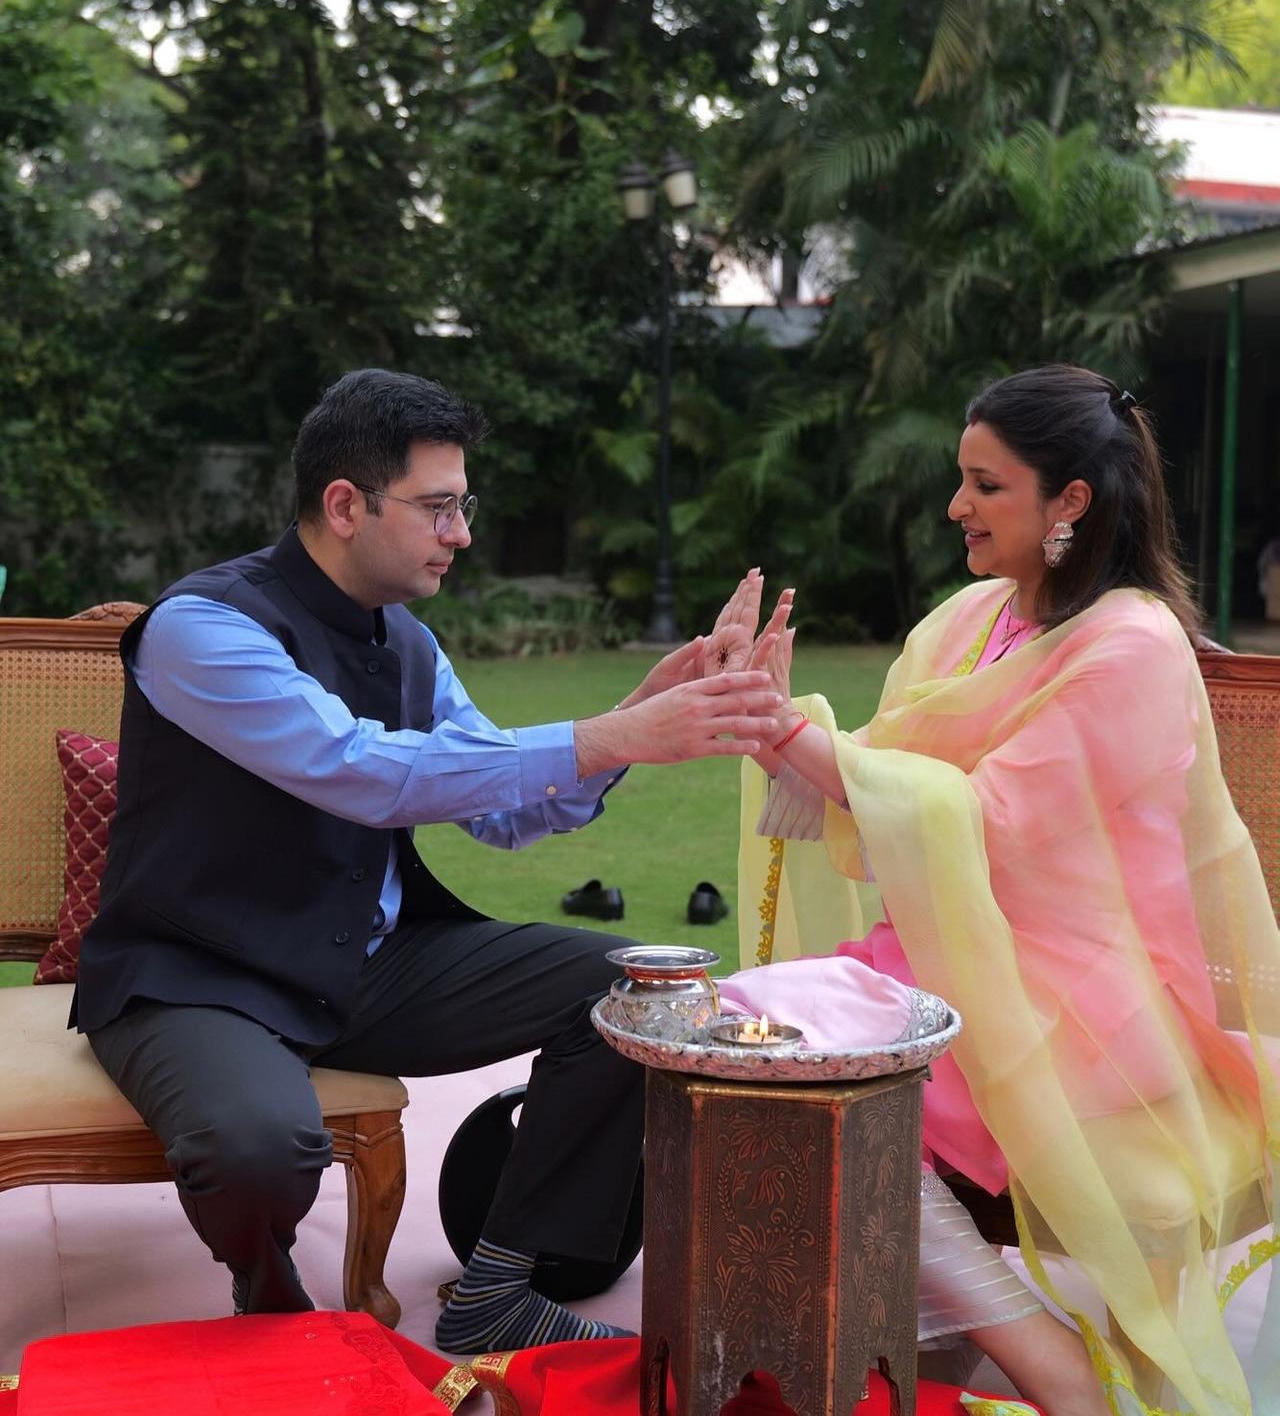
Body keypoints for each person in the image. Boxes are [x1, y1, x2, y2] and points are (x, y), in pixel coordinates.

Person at [73, 368, 785, 1353]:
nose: (461, 533)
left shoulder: (407, 643)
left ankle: (497, 1285)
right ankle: (271, 1300)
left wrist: (623, 725)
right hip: (202, 974)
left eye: (464, 505)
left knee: (646, 991)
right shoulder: (204, 628)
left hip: (365, 961)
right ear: (343, 503)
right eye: (439, 507)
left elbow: (495, 811)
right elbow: (362, 771)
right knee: (259, 1148)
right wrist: (607, 733)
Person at [719, 366, 1280, 1416]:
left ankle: (1043, 1363)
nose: (954, 507)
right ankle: (944, 1343)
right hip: (945, 954)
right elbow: (884, 786)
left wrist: (796, 736)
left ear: (1069, 501)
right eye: (959, 480)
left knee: (809, 1067)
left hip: (1079, 997)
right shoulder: (974, 617)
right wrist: (771, 725)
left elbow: (979, 818)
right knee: (750, 1042)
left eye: (984, 485)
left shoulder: (1134, 645)